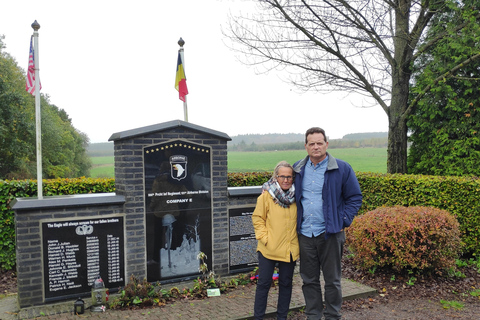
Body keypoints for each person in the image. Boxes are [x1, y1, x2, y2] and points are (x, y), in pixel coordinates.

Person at [293, 127, 362, 320]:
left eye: (319, 143)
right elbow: (280, 182)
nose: (316, 147)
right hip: (306, 233)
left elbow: (354, 197)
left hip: (331, 233)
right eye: (312, 143)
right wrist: (266, 189)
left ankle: (333, 315)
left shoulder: (342, 168)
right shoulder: (297, 168)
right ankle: (313, 315)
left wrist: (343, 221)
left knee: (332, 280)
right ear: (306, 146)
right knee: (309, 280)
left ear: (326, 144)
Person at [252, 161, 300, 320]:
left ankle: (282, 317)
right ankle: (258, 317)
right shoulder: (266, 196)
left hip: (289, 250)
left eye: (289, 177)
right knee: (264, 285)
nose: (286, 180)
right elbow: (258, 219)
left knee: (286, 285)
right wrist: (266, 239)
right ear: (276, 177)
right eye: (282, 176)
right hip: (268, 249)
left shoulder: (297, 197)